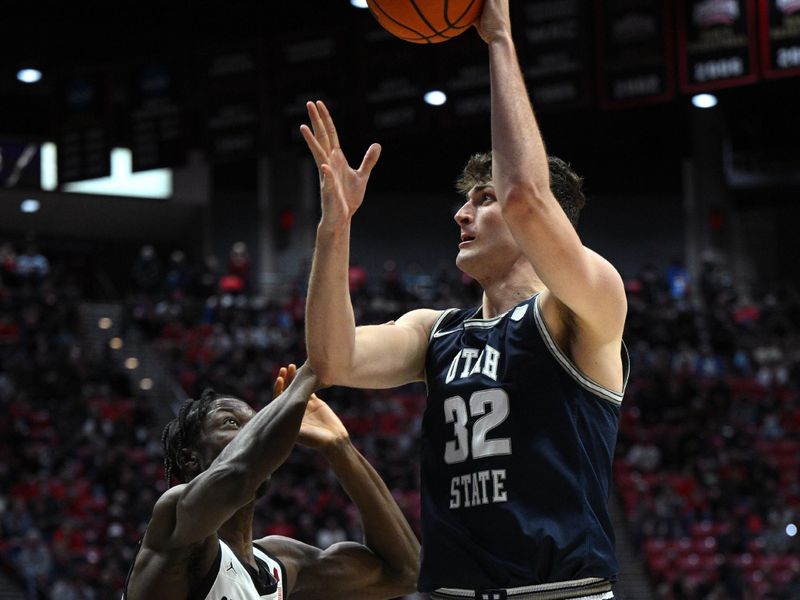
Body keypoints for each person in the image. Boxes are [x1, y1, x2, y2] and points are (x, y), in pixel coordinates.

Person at [300, 0, 628, 598]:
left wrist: (499, 36)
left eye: (483, 198)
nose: (462, 212)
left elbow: (526, 196)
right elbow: (332, 358)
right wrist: (335, 227)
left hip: (560, 593)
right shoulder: (437, 331)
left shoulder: (586, 305)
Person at [123, 364, 419, 600]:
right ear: (190, 459)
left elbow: (405, 573)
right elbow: (238, 472)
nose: (252, 431)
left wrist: (339, 448)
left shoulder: (281, 564)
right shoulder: (176, 523)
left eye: (255, 422)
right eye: (231, 423)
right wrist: (315, 369)